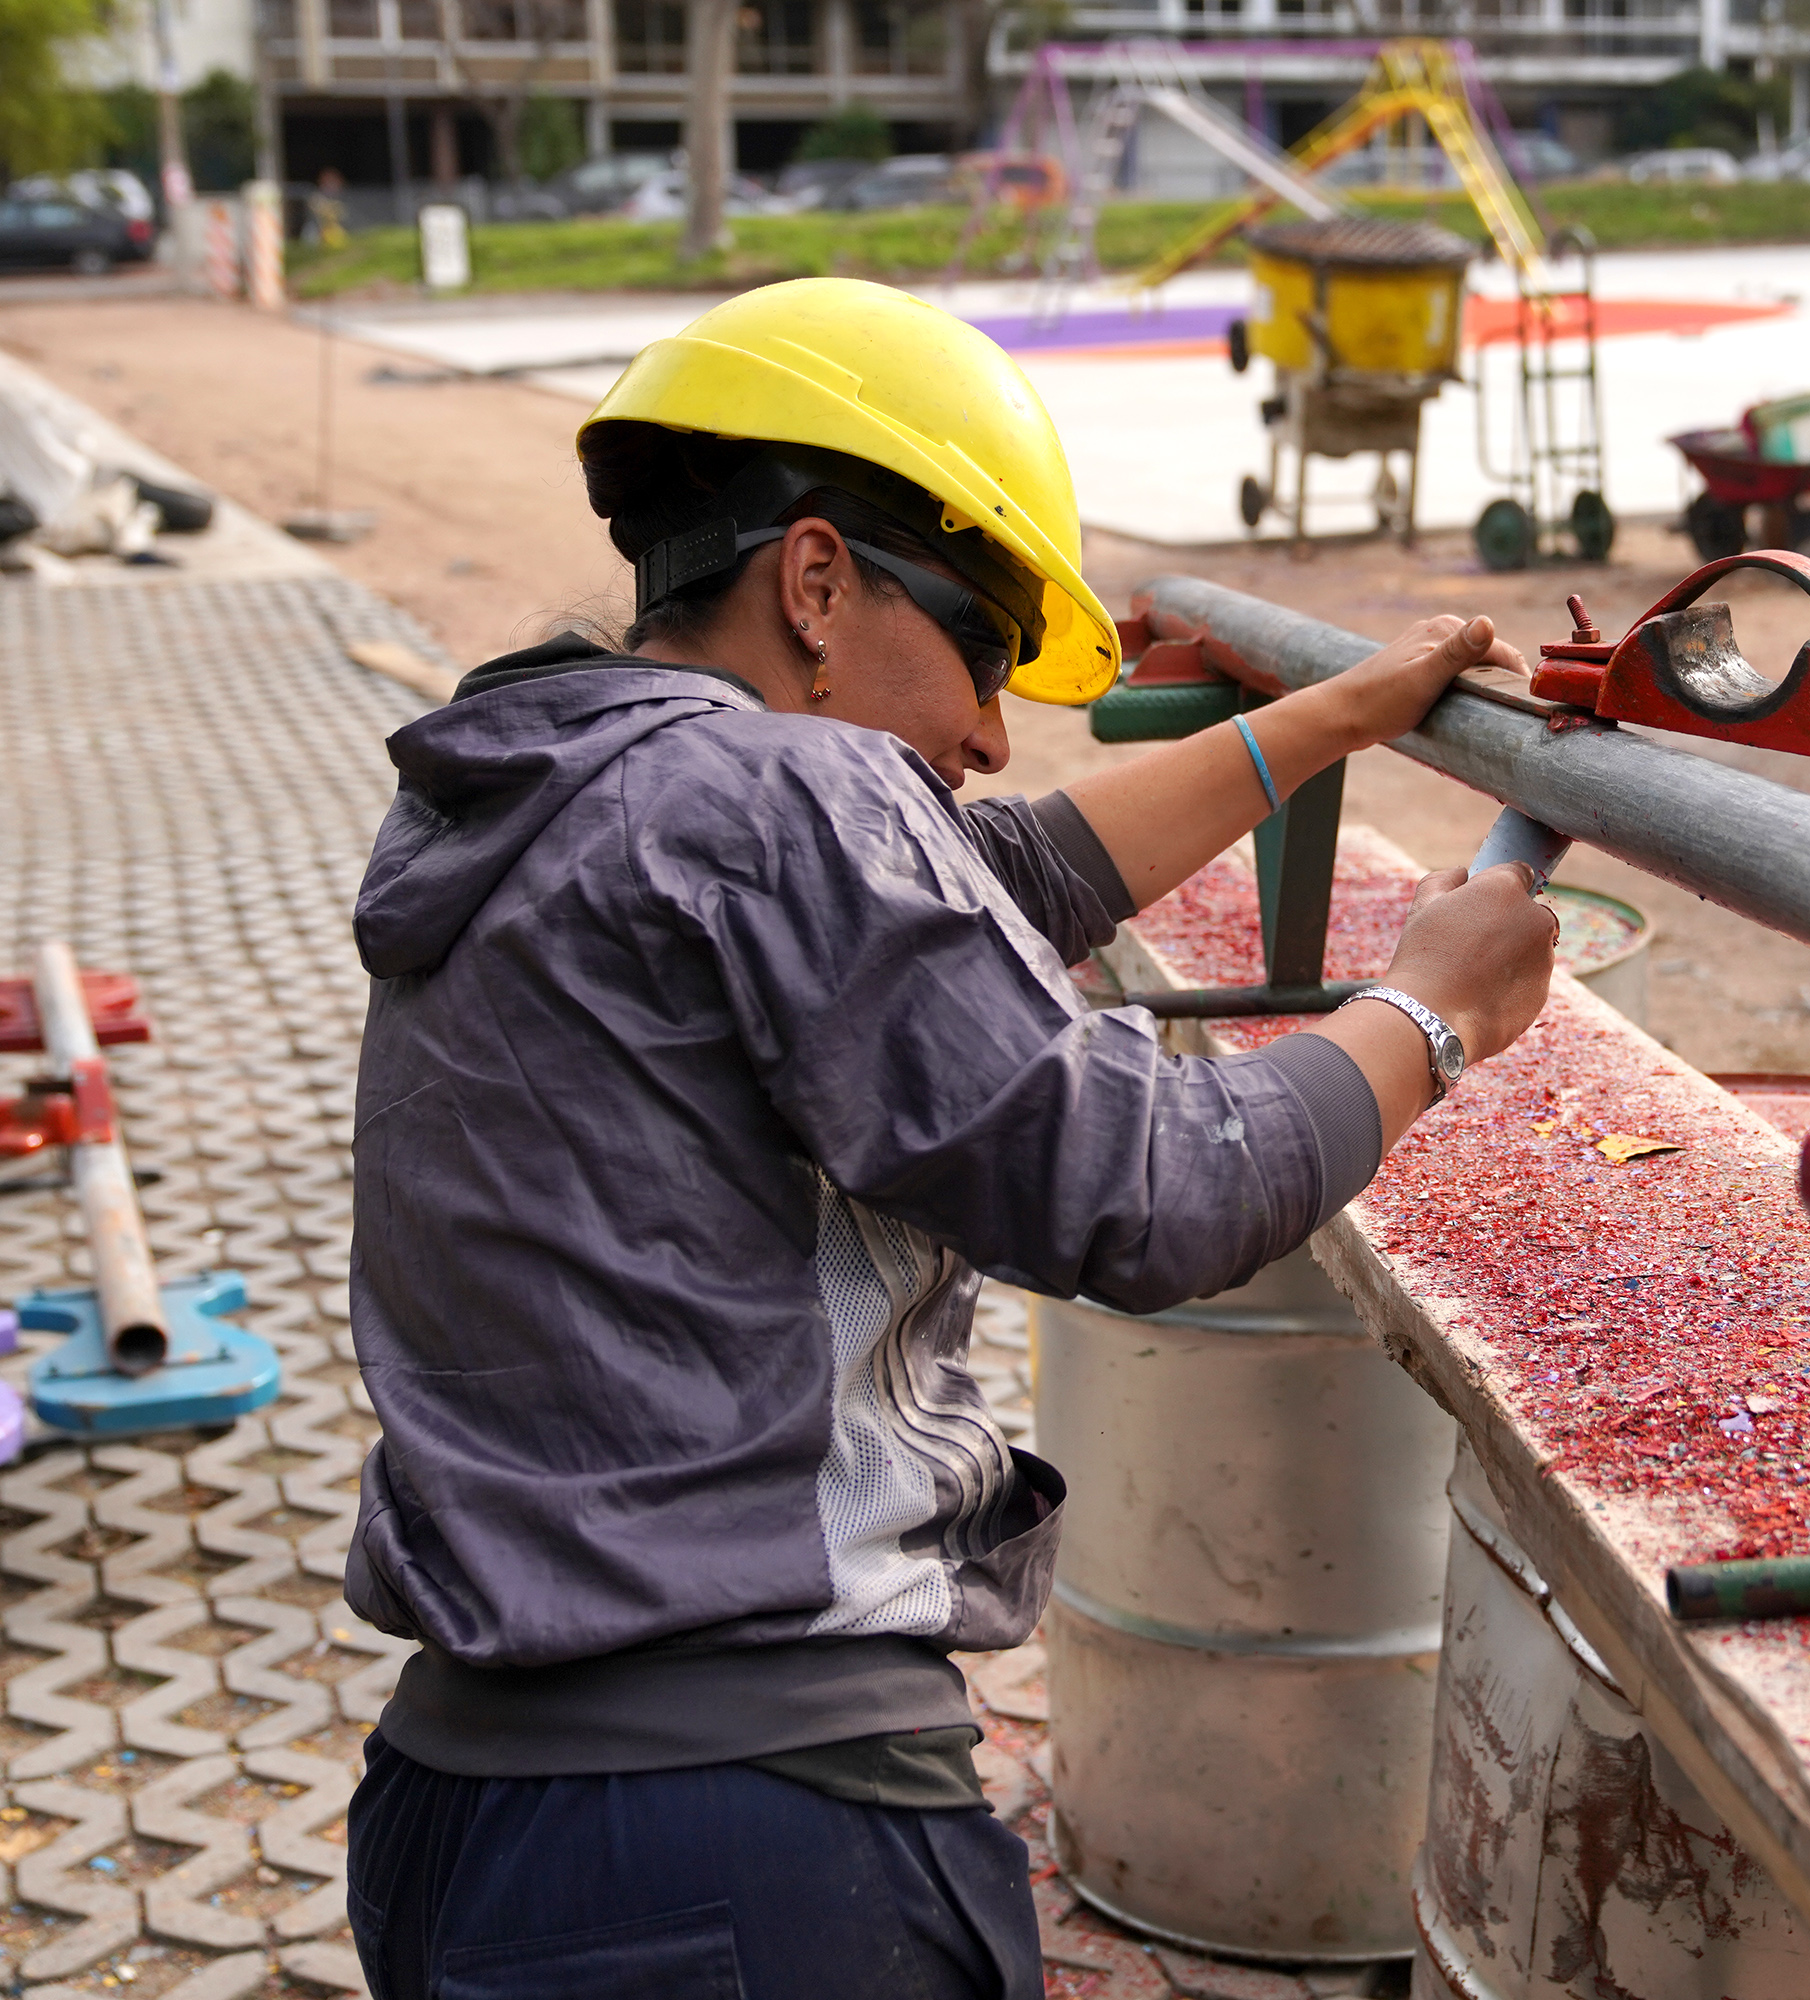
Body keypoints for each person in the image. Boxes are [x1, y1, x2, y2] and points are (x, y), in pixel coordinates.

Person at [338, 277, 1561, 1998]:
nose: (994, 733)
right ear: (817, 579)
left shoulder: (556, 790)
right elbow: (1151, 1193)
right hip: (746, 1846)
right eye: (983, 654)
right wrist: (1433, 1017)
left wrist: (1339, 715)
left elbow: (998, 884)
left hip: (464, 1816)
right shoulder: (782, 799)